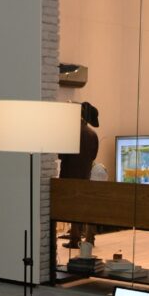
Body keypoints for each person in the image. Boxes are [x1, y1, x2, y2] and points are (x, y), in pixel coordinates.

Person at [58, 102, 100, 246]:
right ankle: (89, 238)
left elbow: (61, 156)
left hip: (69, 174)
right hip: (84, 174)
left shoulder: (69, 132)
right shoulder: (93, 134)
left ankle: (75, 238)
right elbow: (93, 156)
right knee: (85, 206)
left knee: (72, 209)